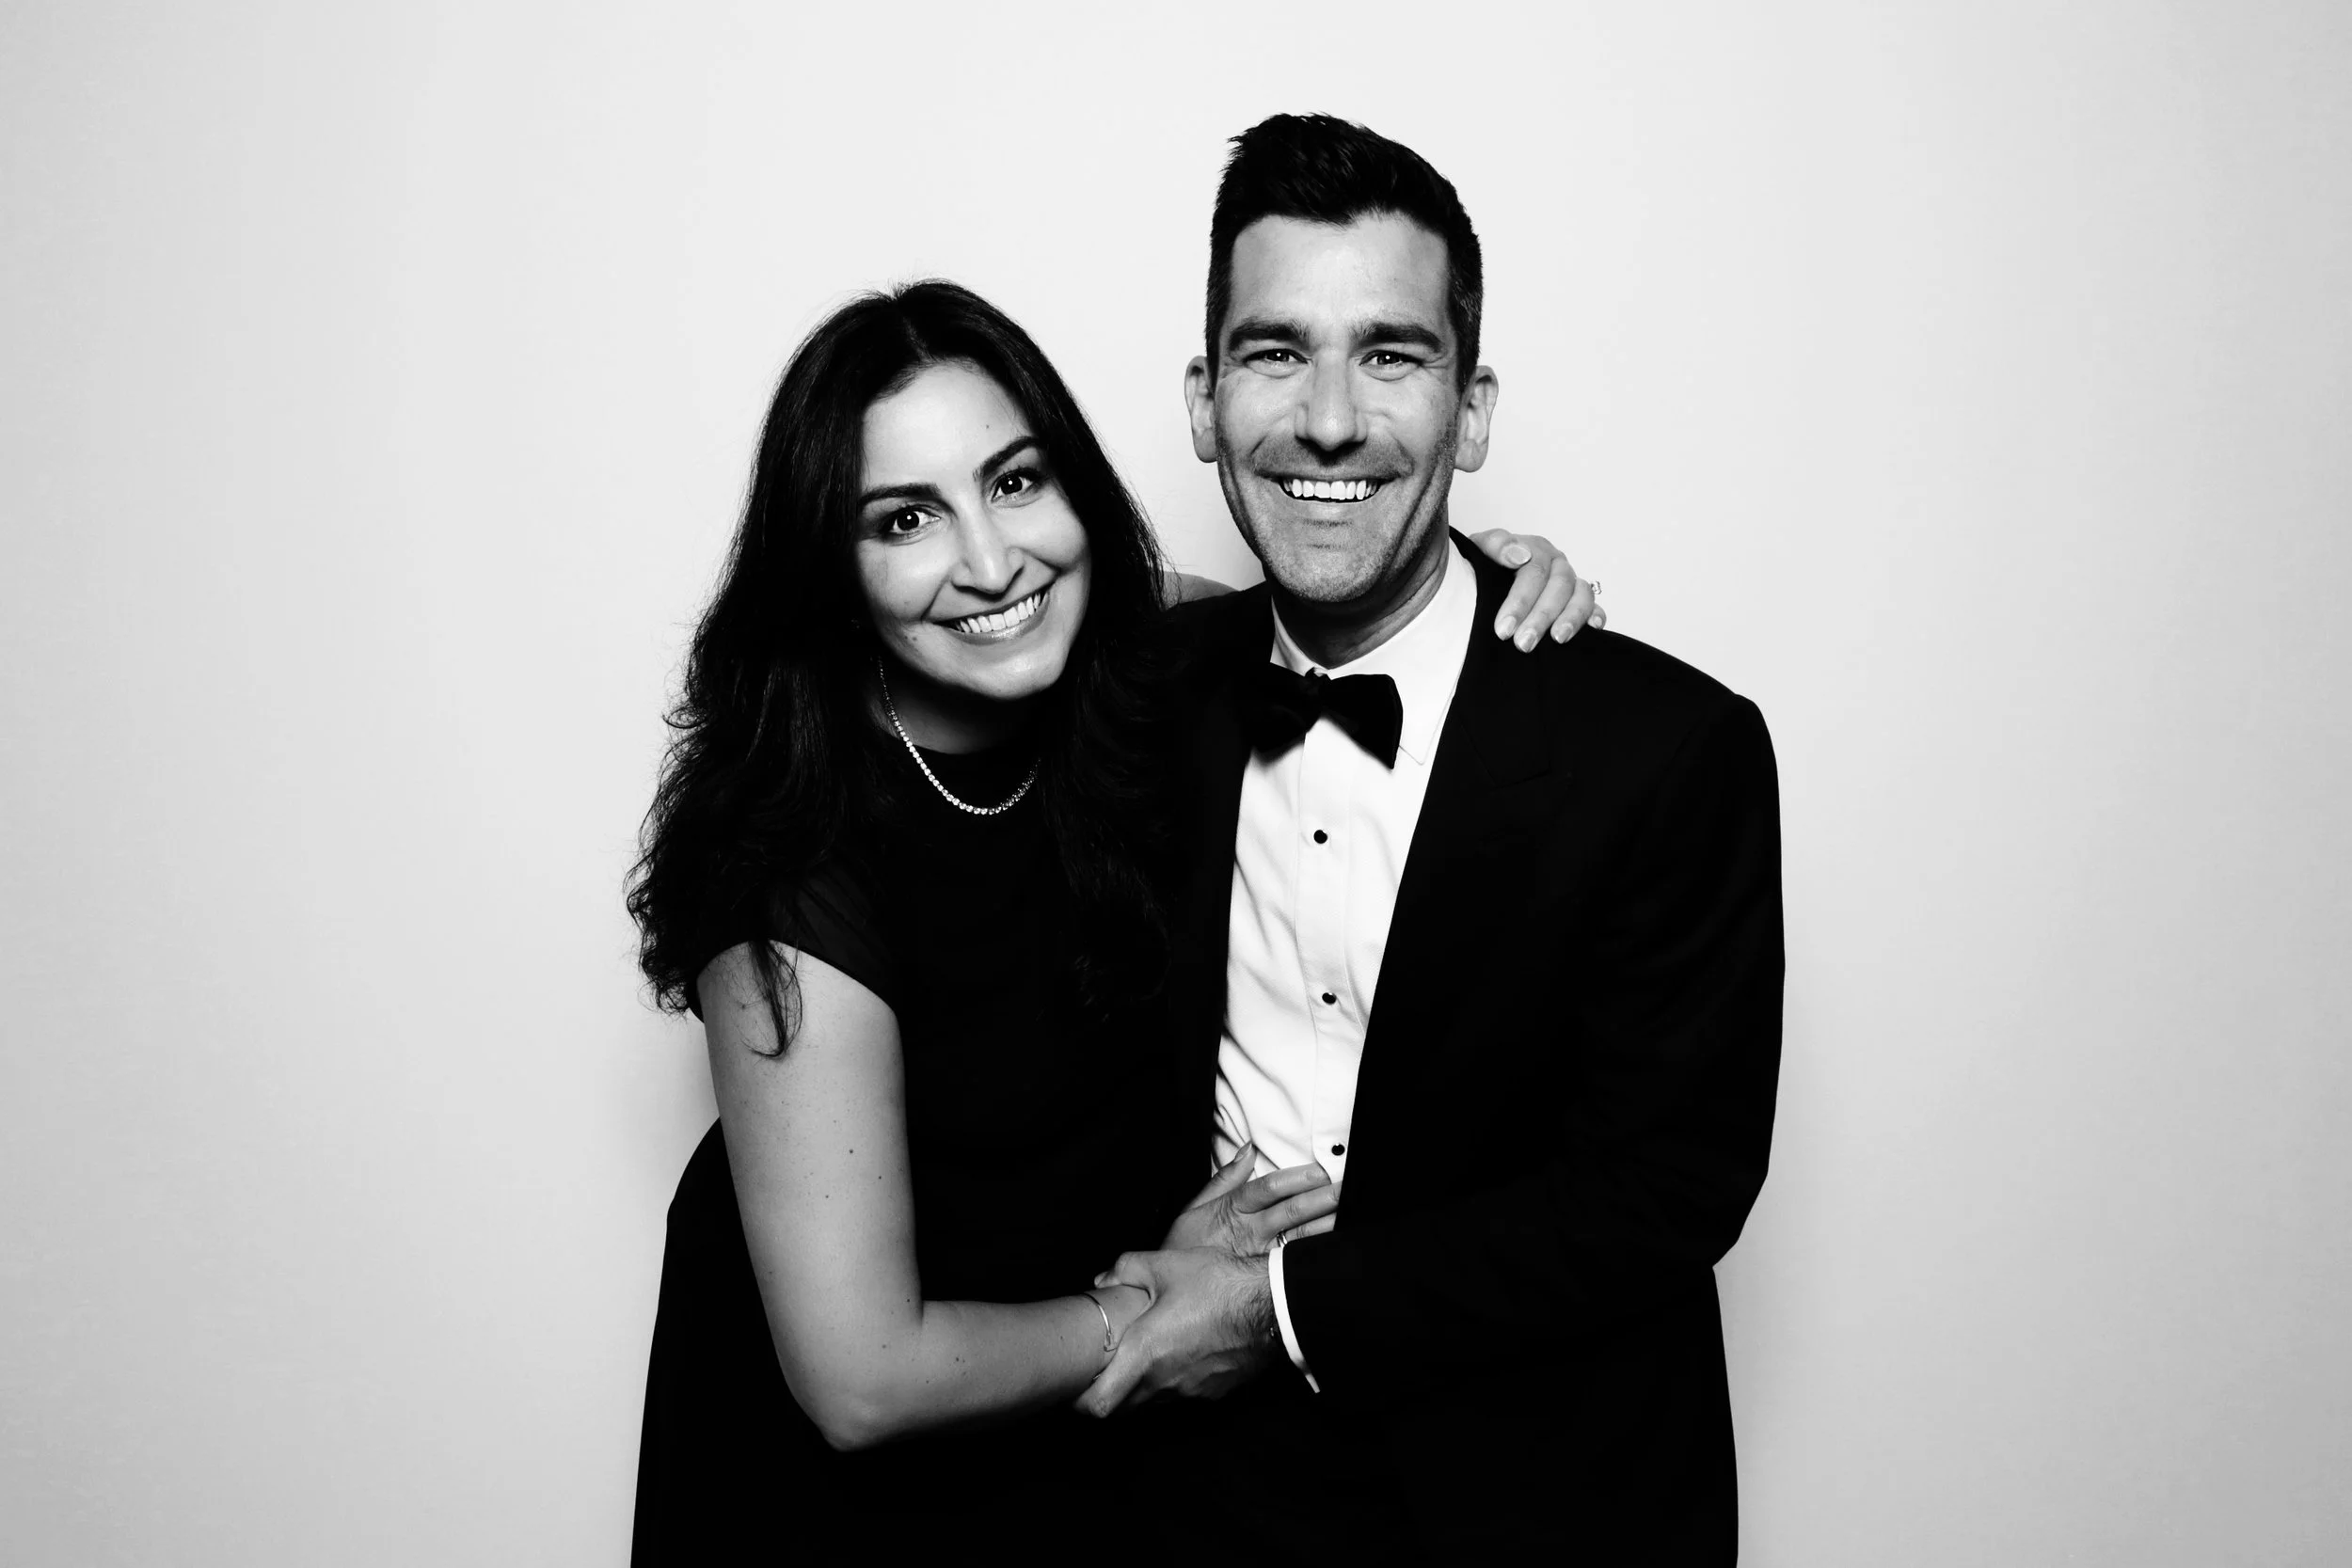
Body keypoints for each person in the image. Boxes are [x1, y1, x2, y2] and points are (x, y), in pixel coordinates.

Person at [625, 280, 1596, 1561]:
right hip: (860, 1471)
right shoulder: (794, 868)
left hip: (1096, 1442)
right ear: (833, 568)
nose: (990, 561)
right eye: (906, 517)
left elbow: (1338, 612)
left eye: (1017, 482)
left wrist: (1492, 582)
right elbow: (862, 1380)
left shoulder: (1138, 652)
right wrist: (1147, 1305)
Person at [1078, 115, 1786, 1565]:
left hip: (1541, 1493)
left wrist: (1278, 1314)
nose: (1329, 418)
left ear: (1470, 411)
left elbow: (1667, 1189)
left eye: (1390, 355)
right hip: (1189, 1489)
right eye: (1277, 353)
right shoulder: (1132, 696)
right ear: (1206, 401)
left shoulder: (1666, 749)